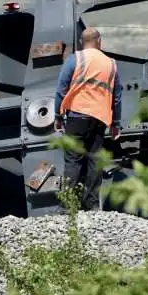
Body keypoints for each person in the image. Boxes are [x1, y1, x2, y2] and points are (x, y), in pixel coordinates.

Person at [54, 27, 122, 211]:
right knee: (93, 161)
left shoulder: (75, 59)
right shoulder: (111, 64)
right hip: (99, 119)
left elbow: (61, 88)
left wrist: (58, 116)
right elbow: (117, 96)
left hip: (77, 116)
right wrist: (116, 123)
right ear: (99, 41)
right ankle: (92, 206)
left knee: (73, 160)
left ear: (82, 42)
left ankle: (69, 206)